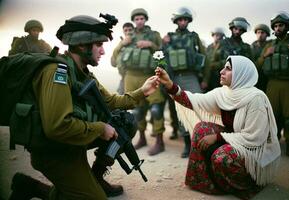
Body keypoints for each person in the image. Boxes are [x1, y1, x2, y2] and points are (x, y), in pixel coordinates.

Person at [10, 15, 160, 200]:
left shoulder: (82, 73)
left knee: (125, 123)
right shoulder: (58, 72)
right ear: (82, 45)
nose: (103, 51)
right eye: (99, 45)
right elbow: (57, 126)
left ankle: (94, 180)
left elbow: (110, 102)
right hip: (53, 151)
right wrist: (100, 129)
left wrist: (143, 91)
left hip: (71, 142)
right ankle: (31, 186)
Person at [155, 55, 281, 199]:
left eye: (228, 69)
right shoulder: (224, 93)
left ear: (241, 74)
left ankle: (248, 184)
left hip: (253, 147)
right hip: (235, 137)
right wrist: (170, 85)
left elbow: (255, 137)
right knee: (201, 129)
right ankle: (203, 180)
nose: (221, 71)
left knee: (222, 157)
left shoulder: (256, 98)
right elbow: (194, 101)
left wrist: (217, 137)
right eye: (224, 67)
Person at [162, 7, 210, 158]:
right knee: (181, 110)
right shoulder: (169, 37)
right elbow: (162, 58)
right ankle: (187, 144)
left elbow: (204, 57)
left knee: (198, 107)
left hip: (191, 76)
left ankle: (201, 141)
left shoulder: (194, 37)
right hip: (175, 77)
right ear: (176, 21)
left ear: (188, 21)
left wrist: (205, 79)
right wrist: (163, 44)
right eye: (180, 20)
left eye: (185, 19)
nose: (183, 22)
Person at [121, 8, 165, 156]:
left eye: (141, 18)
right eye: (136, 19)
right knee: (137, 110)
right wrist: (122, 44)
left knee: (156, 109)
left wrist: (151, 45)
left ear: (145, 19)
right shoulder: (128, 37)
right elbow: (115, 57)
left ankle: (159, 142)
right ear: (134, 20)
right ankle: (141, 139)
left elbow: (163, 52)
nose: (139, 21)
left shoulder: (154, 35)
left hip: (149, 75)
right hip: (131, 76)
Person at [257, 11, 289, 154]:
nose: (277, 28)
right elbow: (257, 64)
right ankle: (273, 144)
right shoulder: (269, 45)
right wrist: (265, 55)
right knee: (272, 117)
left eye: (281, 25)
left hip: (287, 84)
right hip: (272, 85)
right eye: (275, 26)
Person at [111, 22, 134, 94]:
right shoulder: (120, 45)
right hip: (124, 79)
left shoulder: (139, 43)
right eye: (126, 30)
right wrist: (121, 46)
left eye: (130, 30)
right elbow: (113, 63)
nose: (128, 32)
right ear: (123, 32)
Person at [251, 24, 271, 91]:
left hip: (267, 77)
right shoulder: (251, 47)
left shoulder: (270, 45)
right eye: (258, 32)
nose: (260, 35)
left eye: (262, 32)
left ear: (267, 34)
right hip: (255, 77)